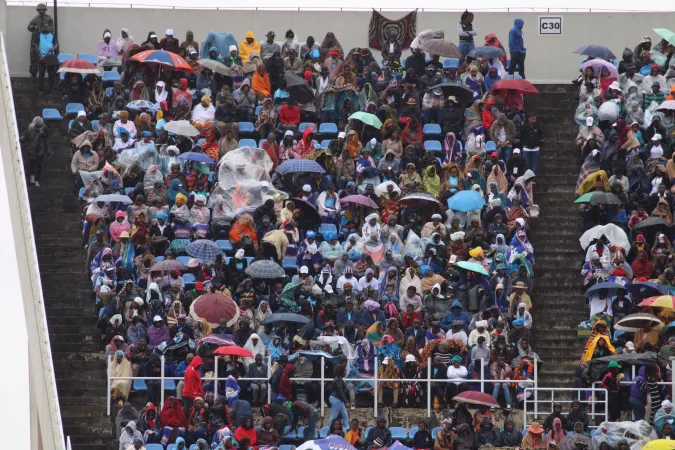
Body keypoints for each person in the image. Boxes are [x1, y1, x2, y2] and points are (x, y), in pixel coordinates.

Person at [27, 3, 53, 78]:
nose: (41, 10)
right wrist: (35, 27)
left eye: (42, 9)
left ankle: (49, 74)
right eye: (40, 9)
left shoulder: (49, 18)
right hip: (36, 39)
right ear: (38, 10)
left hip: (46, 40)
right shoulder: (36, 18)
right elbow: (29, 27)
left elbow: (52, 29)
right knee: (34, 56)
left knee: (47, 56)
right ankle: (33, 73)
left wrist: (45, 29)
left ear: (45, 10)